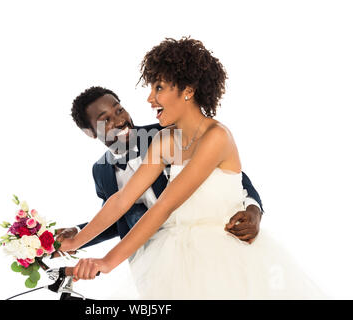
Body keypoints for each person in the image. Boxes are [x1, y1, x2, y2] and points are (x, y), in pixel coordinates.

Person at [59, 37, 325, 299]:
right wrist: (72, 242)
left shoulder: (216, 137)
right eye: (152, 88)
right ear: (89, 131)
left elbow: (164, 206)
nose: (150, 99)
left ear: (187, 90)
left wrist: (106, 262)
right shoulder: (163, 140)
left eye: (159, 88)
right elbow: (121, 202)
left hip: (223, 256)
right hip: (171, 260)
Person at [54, 86, 263, 253]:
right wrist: (78, 234)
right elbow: (117, 219)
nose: (119, 120)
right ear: (89, 132)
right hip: (154, 265)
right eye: (105, 120)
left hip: (206, 244)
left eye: (119, 110)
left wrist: (253, 210)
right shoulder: (100, 172)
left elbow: (225, 173)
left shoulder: (165, 133)